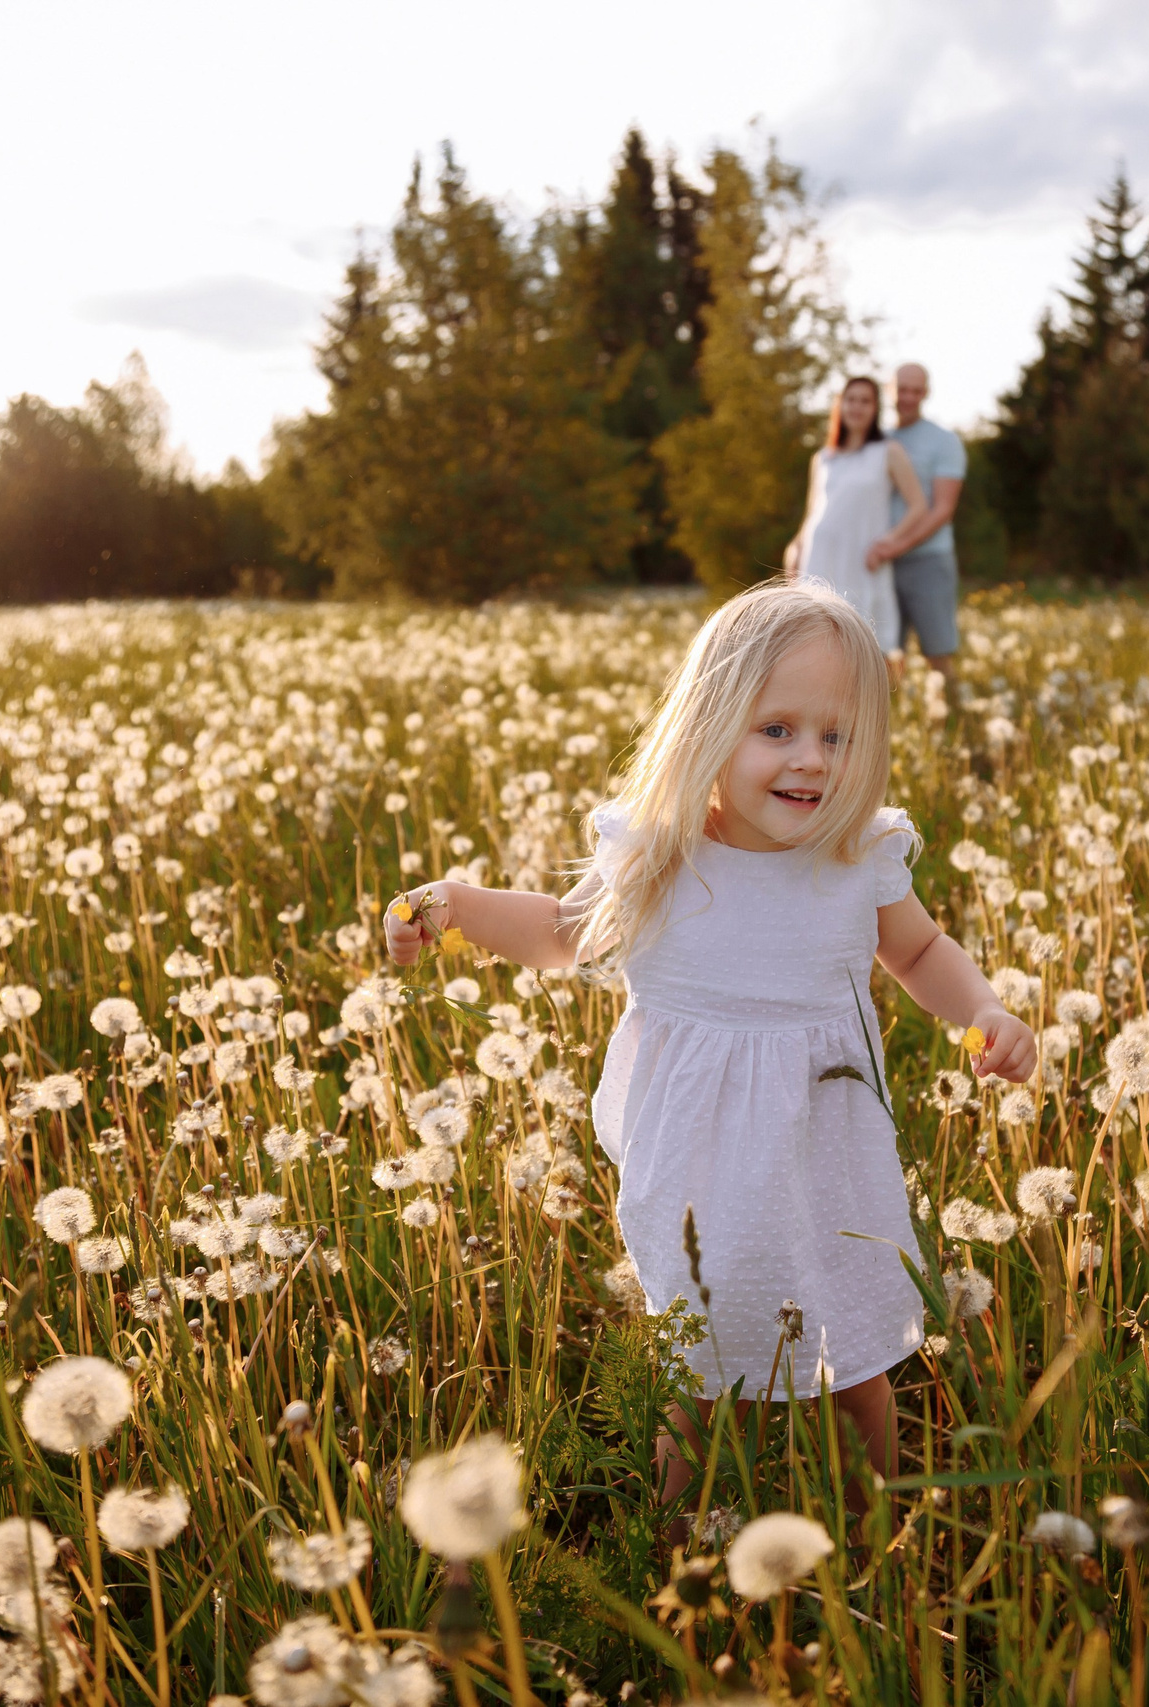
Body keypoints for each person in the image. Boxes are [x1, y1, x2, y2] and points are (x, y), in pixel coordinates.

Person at [382, 581, 1037, 1521]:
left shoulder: (858, 855)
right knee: (697, 1371)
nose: (811, 758)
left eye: (839, 735)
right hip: (698, 1172)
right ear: (709, 725)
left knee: (854, 1365)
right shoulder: (660, 854)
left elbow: (922, 954)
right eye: (777, 729)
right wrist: (453, 903)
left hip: (827, 1156)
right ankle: (674, 1541)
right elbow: (560, 932)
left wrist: (984, 1015)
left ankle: (875, 1539)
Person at [783, 375, 929, 674]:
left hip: (861, 561)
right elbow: (813, 514)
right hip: (818, 561)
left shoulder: (888, 452)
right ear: (840, 405)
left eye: (865, 401)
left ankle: (888, 701)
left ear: (875, 408)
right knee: (816, 639)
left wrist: (888, 543)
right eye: (851, 400)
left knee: (872, 643)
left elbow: (918, 506)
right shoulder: (823, 458)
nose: (857, 407)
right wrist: (794, 549)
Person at [866, 363, 966, 677]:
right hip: (881, 564)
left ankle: (951, 706)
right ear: (889, 390)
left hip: (928, 562)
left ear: (926, 393)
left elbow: (942, 510)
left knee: (938, 652)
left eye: (916, 390)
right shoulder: (875, 440)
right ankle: (896, 708)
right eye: (902, 389)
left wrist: (897, 546)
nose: (908, 397)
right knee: (883, 654)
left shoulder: (944, 441)